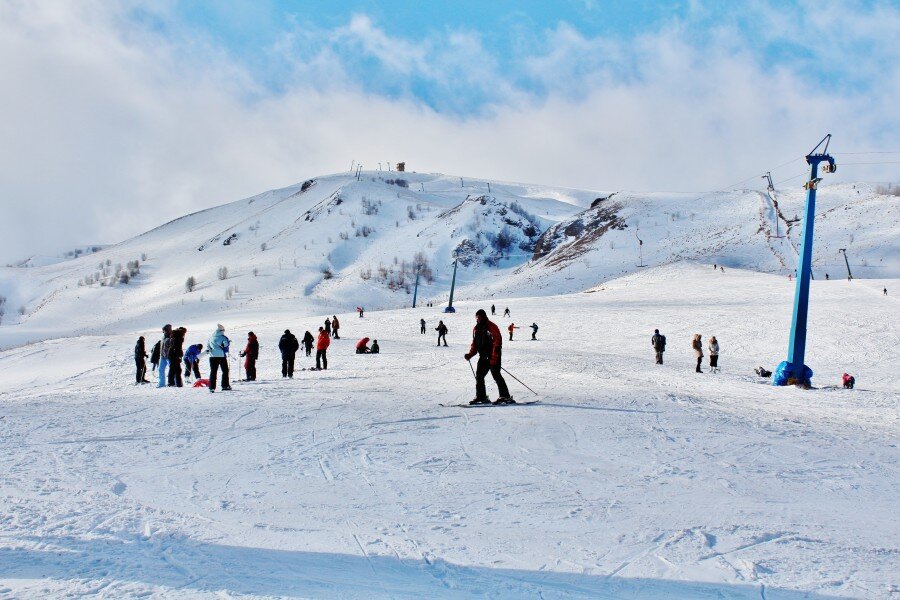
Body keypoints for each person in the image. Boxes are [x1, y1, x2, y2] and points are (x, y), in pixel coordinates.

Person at [464, 309, 513, 405]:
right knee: (479, 376)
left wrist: (494, 357)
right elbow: (475, 343)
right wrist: (470, 354)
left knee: (496, 375)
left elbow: (497, 342)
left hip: (493, 355)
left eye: (479, 317)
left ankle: (505, 396)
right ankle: (481, 396)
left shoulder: (491, 326)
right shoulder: (476, 328)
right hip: (483, 356)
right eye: (477, 317)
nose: (478, 319)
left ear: (484, 316)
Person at [207, 324, 232, 392]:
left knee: (213, 371)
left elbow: (208, 347)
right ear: (221, 330)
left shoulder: (211, 337)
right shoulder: (223, 337)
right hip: (221, 356)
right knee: (225, 371)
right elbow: (226, 346)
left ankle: (211, 387)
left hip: (212, 357)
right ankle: (225, 385)